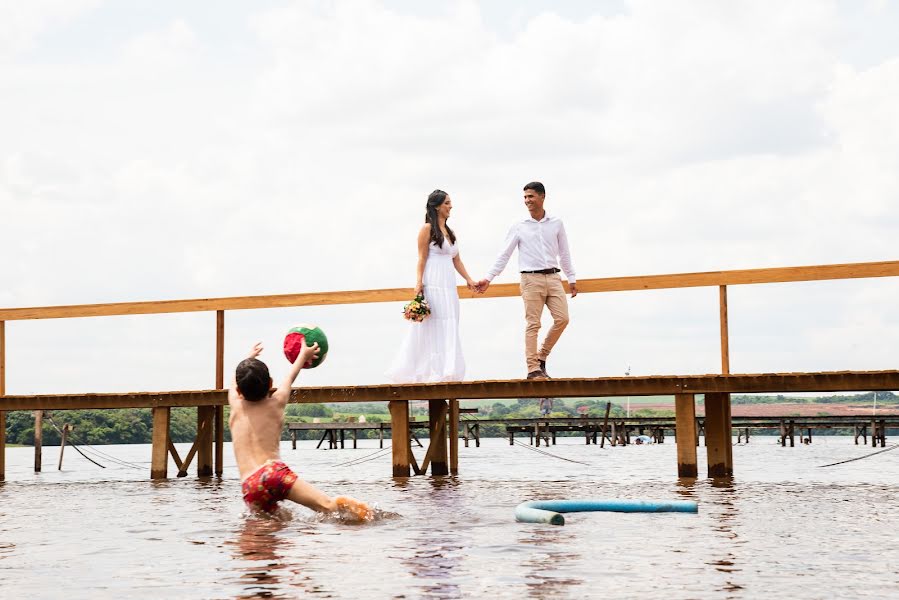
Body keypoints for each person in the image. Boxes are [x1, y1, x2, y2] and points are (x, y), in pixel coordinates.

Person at [229, 341, 372, 519]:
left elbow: (233, 382)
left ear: (238, 389)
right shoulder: (276, 403)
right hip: (274, 472)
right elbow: (290, 377)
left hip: (250, 486)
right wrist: (302, 356)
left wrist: (248, 357)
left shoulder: (235, 406)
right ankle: (367, 517)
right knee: (327, 507)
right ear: (270, 383)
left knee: (268, 527)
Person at [476, 182, 577, 379]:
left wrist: (571, 277)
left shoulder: (556, 223)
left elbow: (564, 252)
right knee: (533, 324)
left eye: (530, 196)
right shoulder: (519, 225)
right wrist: (489, 278)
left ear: (542, 197)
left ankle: (542, 357)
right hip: (530, 278)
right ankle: (533, 368)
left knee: (562, 319)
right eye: (525, 197)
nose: (527, 201)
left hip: (554, 277)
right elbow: (504, 254)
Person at [386, 189, 477, 383]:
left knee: (449, 321)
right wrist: (419, 282)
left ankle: (448, 368)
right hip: (433, 282)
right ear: (436, 206)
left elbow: (457, 260)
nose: (450, 206)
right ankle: (429, 369)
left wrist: (468, 279)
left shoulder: (450, 232)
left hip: (448, 284)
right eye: (446, 203)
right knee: (433, 323)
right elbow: (421, 258)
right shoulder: (427, 229)